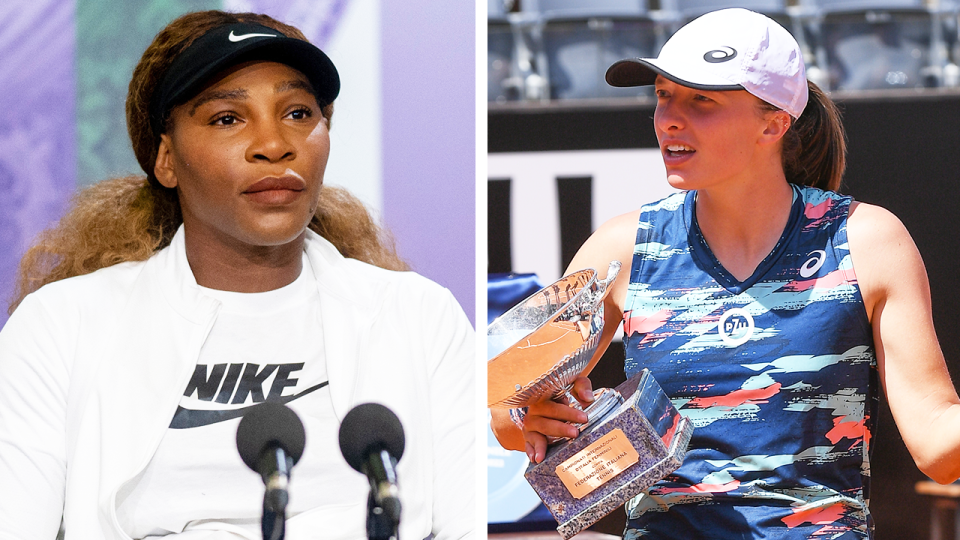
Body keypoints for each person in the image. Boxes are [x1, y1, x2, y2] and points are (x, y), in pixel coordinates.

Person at [0, 10, 474, 540]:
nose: (274, 144)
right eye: (227, 118)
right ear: (166, 159)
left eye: (298, 112)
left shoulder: (419, 317)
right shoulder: (60, 328)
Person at [490, 8, 960, 538]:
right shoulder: (622, 246)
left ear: (773, 123)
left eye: (701, 100)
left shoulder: (866, 239)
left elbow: (938, 449)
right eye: (663, 95)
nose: (668, 118)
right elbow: (509, 420)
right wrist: (532, 419)